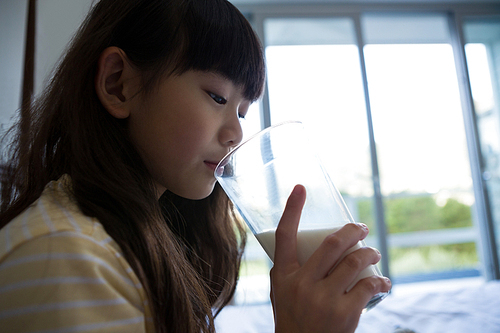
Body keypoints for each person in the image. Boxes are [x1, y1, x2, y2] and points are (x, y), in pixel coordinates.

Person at [0, 0, 391, 332]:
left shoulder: (133, 238)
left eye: (242, 110)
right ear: (119, 84)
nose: (236, 132)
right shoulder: (67, 259)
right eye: (218, 97)